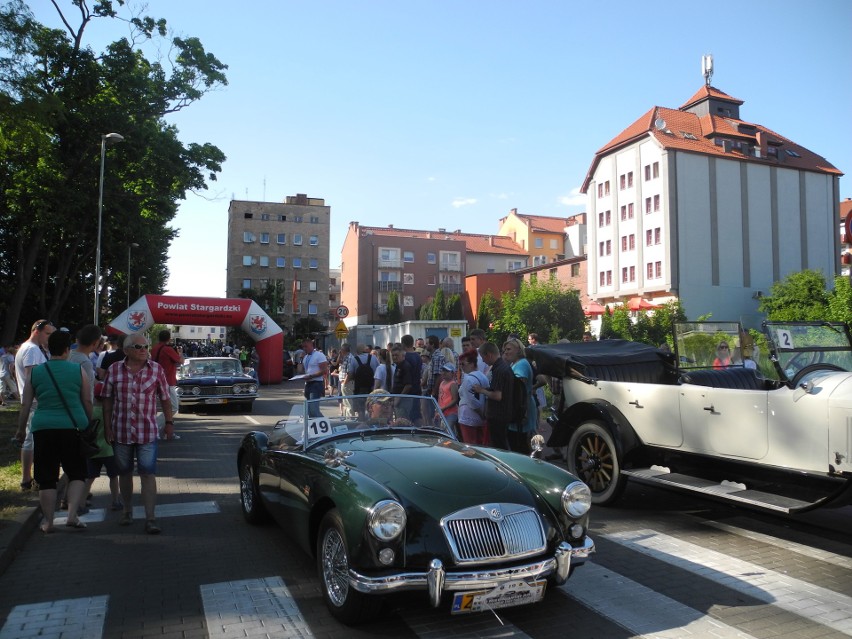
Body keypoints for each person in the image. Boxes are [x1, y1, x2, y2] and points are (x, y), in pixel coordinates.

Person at [15, 330, 91, 532]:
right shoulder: (78, 370)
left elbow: (26, 404)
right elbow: (86, 400)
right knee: (76, 473)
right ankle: (72, 515)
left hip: (43, 427)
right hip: (73, 427)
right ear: (67, 350)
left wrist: (21, 430)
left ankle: (48, 521)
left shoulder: (37, 372)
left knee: (46, 477)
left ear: (48, 349)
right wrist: (89, 422)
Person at [102, 334, 173, 534]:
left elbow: (166, 399)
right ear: (126, 351)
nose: (144, 349)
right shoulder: (114, 370)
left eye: (145, 346)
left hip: (147, 433)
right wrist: (107, 427)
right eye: (138, 346)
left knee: (148, 473)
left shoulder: (156, 370)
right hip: (121, 432)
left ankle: (151, 518)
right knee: (124, 472)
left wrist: (169, 423)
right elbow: (107, 400)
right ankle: (127, 510)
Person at [15, 319, 55, 490]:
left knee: (33, 440)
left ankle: (30, 478)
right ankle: (27, 479)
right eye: (48, 334)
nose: (49, 338)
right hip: (35, 402)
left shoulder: (32, 348)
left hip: (35, 401)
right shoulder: (31, 350)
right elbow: (33, 378)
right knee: (31, 440)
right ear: (36, 331)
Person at [472, 342, 514, 450]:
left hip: (498, 415)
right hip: (502, 414)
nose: (483, 361)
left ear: (489, 355)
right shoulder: (502, 367)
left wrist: (481, 390)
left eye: (483, 358)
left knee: (500, 447)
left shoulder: (499, 370)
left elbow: (497, 395)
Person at [502, 337, 537, 455]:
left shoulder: (521, 364)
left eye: (508, 349)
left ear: (518, 350)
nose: (505, 352)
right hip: (520, 407)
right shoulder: (516, 363)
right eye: (504, 350)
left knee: (520, 444)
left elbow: (518, 387)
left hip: (521, 409)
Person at [150, 330, 183, 440]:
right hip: (168, 382)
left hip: (155, 380)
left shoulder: (154, 348)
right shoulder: (168, 349)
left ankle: (165, 431)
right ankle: (159, 427)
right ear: (169, 338)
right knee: (173, 407)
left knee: (157, 407)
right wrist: (180, 353)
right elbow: (181, 361)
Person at [457, 351, 489, 445]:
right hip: (480, 416)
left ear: (472, 364)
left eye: (463, 364)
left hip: (469, 416)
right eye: (460, 364)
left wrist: (481, 413)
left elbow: (472, 401)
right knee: (480, 444)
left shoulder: (468, 379)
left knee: (470, 445)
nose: (461, 366)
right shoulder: (483, 376)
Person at [301, 338, 328, 417]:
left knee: (313, 409)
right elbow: (300, 370)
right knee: (309, 410)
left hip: (316, 383)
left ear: (311, 345)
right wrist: (300, 359)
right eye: (303, 347)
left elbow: (324, 370)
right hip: (308, 384)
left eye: (306, 346)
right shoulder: (305, 357)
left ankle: (324, 425)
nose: (304, 348)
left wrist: (311, 376)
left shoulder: (319, 355)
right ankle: (313, 427)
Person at [437, 363, 459, 435]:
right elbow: (440, 397)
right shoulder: (442, 382)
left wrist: (444, 408)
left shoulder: (453, 384)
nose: (443, 373)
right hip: (442, 412)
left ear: (452, 373)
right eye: (443, 370)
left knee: (448, 432)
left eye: (446, 371)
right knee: (442, 432)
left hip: (451, 412)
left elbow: (455, 399)